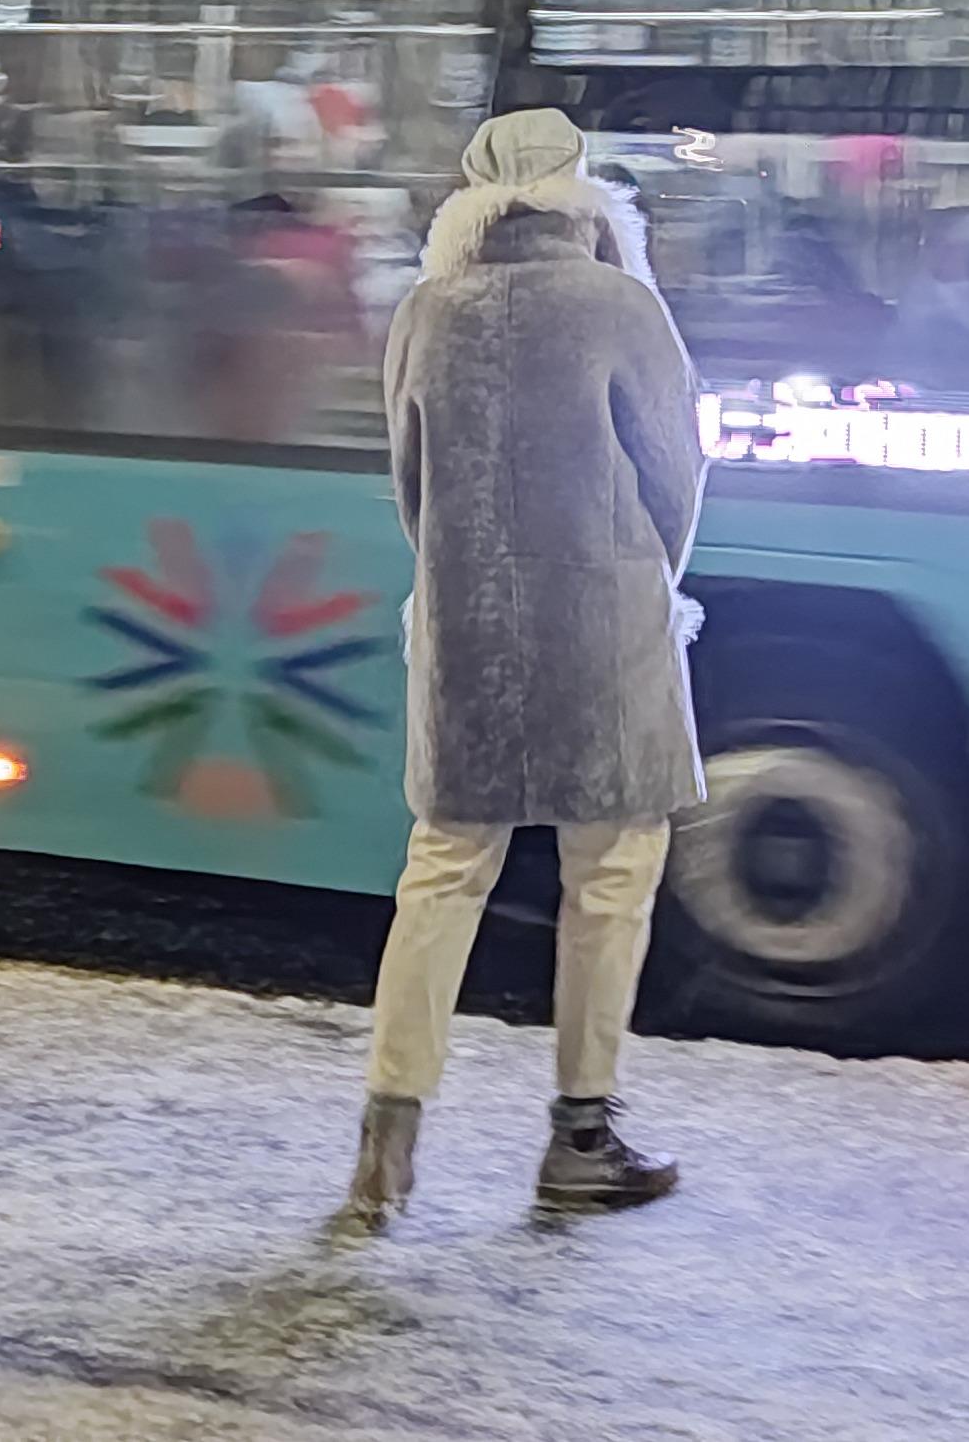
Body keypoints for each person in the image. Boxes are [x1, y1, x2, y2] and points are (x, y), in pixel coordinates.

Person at [347, 108, 707, 1223]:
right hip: (608, 626)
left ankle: (387, 1140)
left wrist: (458, 577)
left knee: (444, 870)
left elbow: (412, 488)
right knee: (611, 874)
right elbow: (677, 472)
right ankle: (581, 1137)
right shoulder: (621, 306)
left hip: (467, 626)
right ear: (581, 191)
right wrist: (650, 579)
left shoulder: (425, 313)